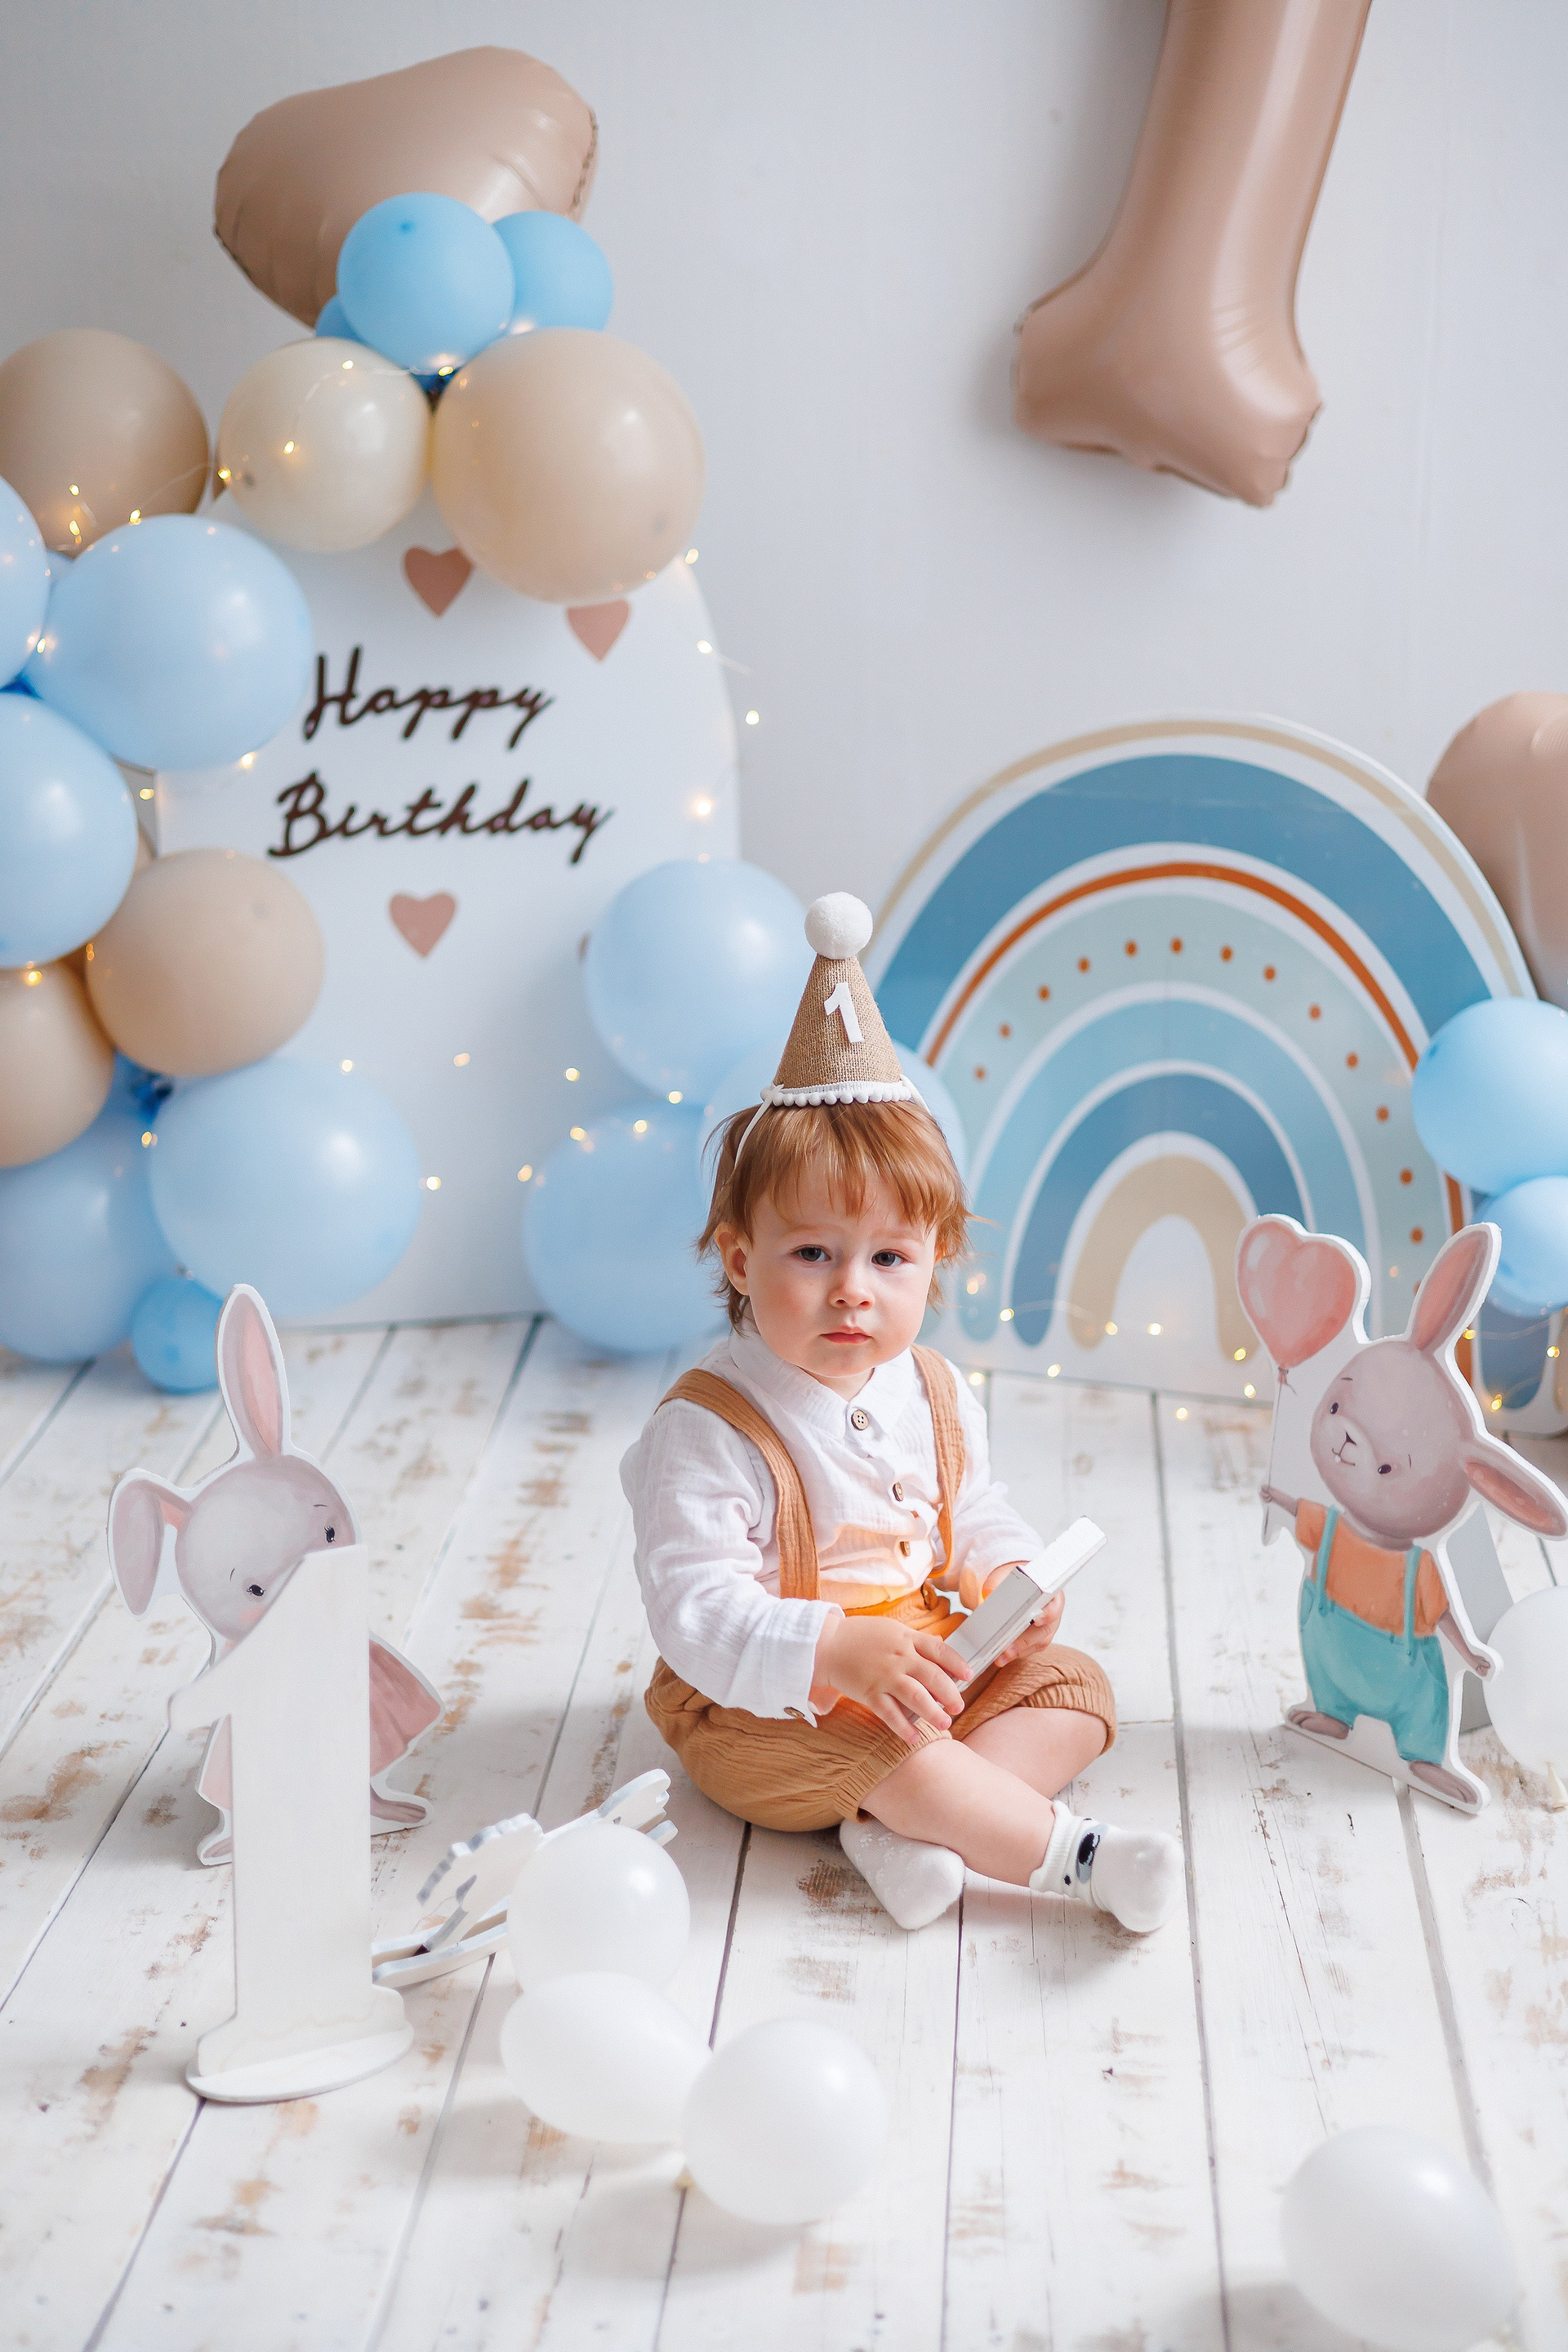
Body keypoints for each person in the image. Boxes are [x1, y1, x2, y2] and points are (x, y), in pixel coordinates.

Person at [621, 893, 1183, 1934]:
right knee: (890, 1744)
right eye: (812, 1254)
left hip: (924, 1663)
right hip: (767, 1705)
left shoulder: (930, 1387)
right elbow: (693, 1606)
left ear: (936, 1261)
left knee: (1074, 1690)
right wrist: (834, 1652)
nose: (852, 1291)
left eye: (889, 1258)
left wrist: (1003, 1576)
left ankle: (903, 1834)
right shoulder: (708, 1426)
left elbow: (973, 1507)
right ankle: (1078, 1861)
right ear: (740, 1258)